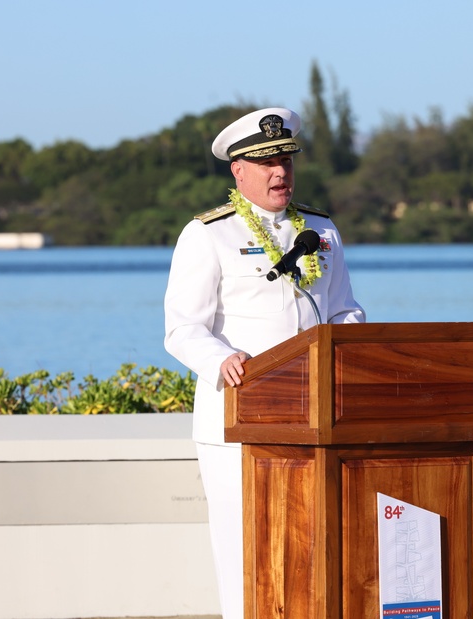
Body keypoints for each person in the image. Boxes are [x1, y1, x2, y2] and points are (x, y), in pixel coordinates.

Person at [163, 107, 366, 619]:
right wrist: (223, 359)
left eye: (286, 161)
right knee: (244, 552)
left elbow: (344, 310)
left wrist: (354, 346)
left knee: (310, 547)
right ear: (239, 170)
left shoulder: (321, 230)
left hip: (314, 418)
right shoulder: (208, 234)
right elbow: (183, 329)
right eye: (266, 162)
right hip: (239, 421)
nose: (281, 172)